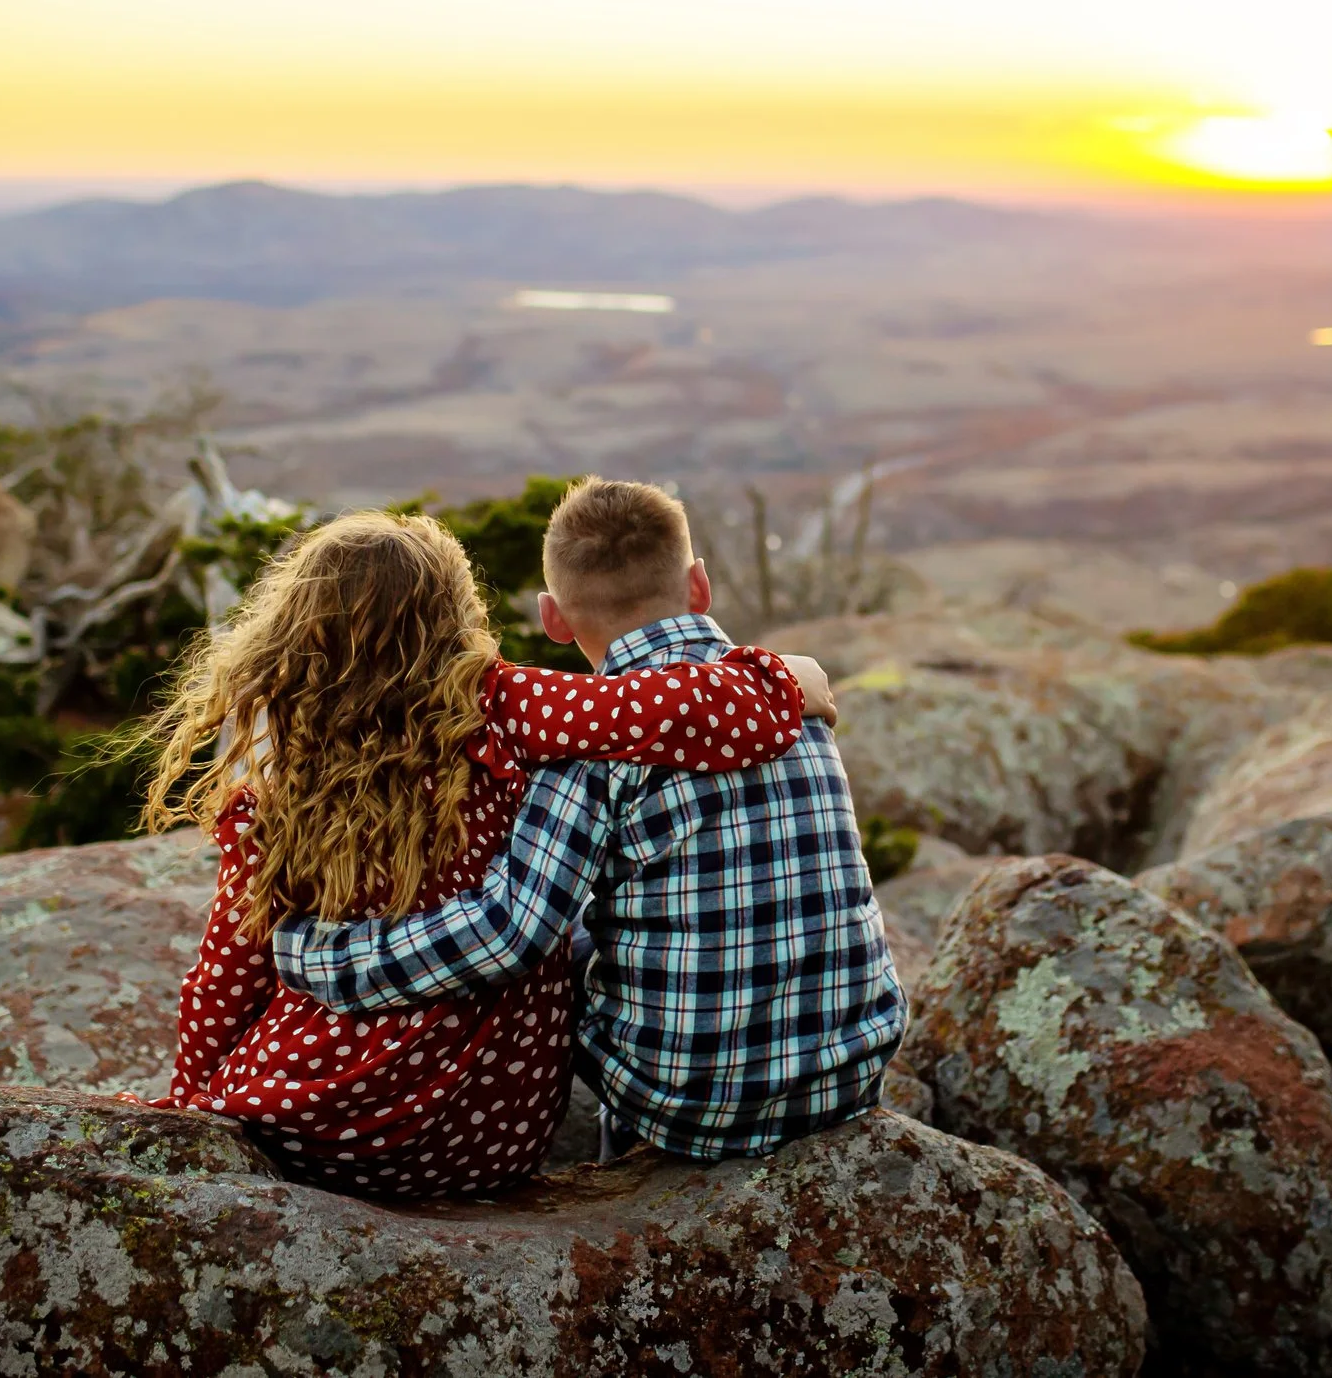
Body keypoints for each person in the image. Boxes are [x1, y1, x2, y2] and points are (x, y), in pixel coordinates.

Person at [134, 508, 830, 1197]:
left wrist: (196, 1108)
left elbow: (225, 976)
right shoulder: (503, 706)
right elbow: (670, 706)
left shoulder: (275, 788)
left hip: (313, 1123)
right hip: (492, 1136)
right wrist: (785, 679)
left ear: (291, 637)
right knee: (592, 933)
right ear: (458, 613)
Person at [281, 479, 904, 1162]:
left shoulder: (587, 741)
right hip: (850, 1076)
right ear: (700, 585)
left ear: (553, 617)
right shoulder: (785, 699)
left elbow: (507, 933)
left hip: (688, 1105)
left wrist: (325, 959)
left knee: (548, 943)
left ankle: (619, 1152)